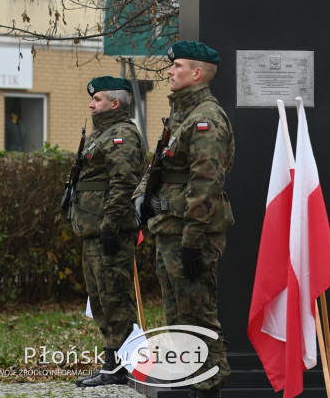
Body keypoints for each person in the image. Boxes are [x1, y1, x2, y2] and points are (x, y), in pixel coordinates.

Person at [134, 41, 235, 398]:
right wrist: (140, 198)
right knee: (178, 317)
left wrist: (193, 239)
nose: (170, 71)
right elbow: (158, 167)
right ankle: (192, 381)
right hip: (169, 231)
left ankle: (209, 387)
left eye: (177, 66)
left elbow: (206, 185)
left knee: (198, 318)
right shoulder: (180, 117)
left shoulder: (206, 118)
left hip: (191, 236)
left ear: (197, 74)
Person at [70, 75, 146, 387]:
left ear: (115, 103)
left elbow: (123, 183)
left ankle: (122, 366)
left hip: (108, 230)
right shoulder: (102, 134)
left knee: (115, 298)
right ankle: (113, 364)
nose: (92, 104)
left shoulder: (122, 135)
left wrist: (112, 226)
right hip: (93, 229)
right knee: (101, 299)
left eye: (97, 99)